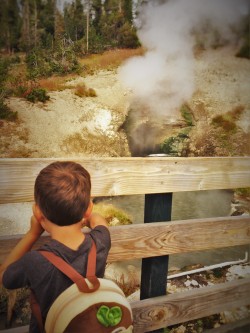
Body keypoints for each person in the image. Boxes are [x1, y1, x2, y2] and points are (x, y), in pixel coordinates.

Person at [0, 161, 111, 332]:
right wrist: (87, 218)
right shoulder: (100, 242)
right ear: (88, 209)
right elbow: (100, 222)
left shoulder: (35, 261)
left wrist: (32, 234)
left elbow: (4, 277)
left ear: (37, 213)